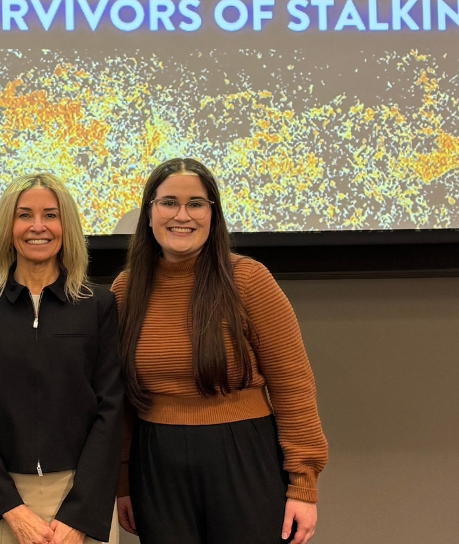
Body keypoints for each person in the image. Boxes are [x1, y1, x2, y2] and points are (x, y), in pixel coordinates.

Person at [113, 158, 327, 544]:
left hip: (243, 455)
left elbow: (293, 385)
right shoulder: (125, 290)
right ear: (148, 214)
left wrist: (302, 484)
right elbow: (120, 397)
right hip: (156, 463)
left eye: (196, 203)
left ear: (213, 214)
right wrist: (123, 480)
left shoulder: (248, 279)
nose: (183, 215)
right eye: (169, 203)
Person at [0, 173, 123, 544]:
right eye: (24, 215)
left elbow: (111, 410)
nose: (37, 227)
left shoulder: (97, 305)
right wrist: (11, 509)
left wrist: (79, 515)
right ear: (7, 227)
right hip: (4, 502)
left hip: (80, 497)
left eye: (50, 214)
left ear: (66, 226)